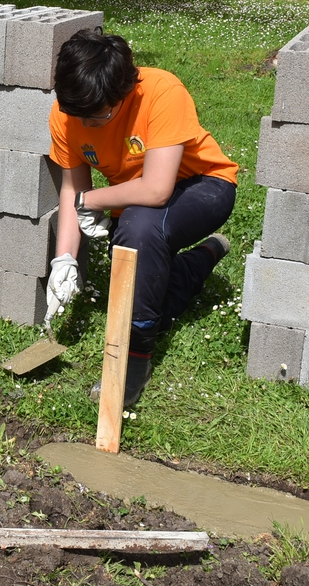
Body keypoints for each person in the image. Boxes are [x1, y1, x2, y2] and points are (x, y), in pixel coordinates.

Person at [46, 30, 238, 407]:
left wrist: (95, 200)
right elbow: (73, 189)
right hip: (133, 205)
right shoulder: (68, 113)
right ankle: (195, 265)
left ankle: (133, 360)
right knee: (148, 286)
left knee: (139, 229)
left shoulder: (161, 91)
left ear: (123, 92)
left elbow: (156, 190)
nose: (85, 124)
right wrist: (64, 258)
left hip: (204, 187)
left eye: (96, 116)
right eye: (76, 114)